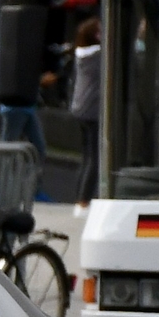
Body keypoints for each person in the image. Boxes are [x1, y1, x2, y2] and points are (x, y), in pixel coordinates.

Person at [69, 18, 102, 204]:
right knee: (93, 159)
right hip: (92, 110)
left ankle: (80, 198)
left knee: (86, 157)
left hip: (80, 108)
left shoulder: (82, 54)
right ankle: (84, 200)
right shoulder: (97, 56)